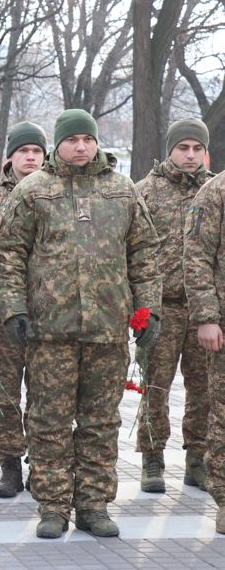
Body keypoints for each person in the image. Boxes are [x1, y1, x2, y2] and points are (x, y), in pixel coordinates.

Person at [0, 109, 161, 539]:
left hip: (107, 330)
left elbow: (144, 254)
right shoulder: (34, 191)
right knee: (48, 421)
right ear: (58, 144)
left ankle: (93, 504)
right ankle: (52, 506)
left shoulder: (121, 191)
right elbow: (9, 252)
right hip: (51, 332)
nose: (81, 147)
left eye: (88, 139)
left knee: (100, 422)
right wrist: (14, 309)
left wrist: (149, 310)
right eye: (72, 140)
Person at [135, 119, 212, 493]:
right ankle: (152, 458)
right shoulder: (146, 191)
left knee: (205, 389)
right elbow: (132, 251)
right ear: (170, 150)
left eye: (197, 149)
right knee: (156, 386)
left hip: (204, 310)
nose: (191, 155)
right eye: (183, 148)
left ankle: (197, 458)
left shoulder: (215, 191)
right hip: (161, 306)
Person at [0, 121, 47, 497]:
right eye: (24, 151)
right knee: (6, 396)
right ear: (11, 158)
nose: (31, 157)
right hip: (4, 321)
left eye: (37, 151)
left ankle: (42, 464)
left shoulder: (55, 196)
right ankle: (9, 467)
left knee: (46, 396)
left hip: (48, 317)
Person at [181, 123, 225, 533]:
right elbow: (196, 257)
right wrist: (207, 317)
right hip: (223, 325)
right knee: (222, 414)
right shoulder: (216, 192)